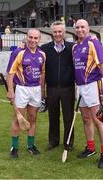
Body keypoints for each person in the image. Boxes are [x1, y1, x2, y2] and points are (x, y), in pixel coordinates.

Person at [73, 19, 103, 168]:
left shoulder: (93, 42)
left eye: (83, 27)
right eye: (77, 27)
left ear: (88, 28)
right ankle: (90, 148)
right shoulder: (75, 47)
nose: (80, 29)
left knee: (98, 120)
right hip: (81, 86)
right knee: (85, 118)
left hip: (93, 85)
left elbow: (102, 64)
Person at [6, 29, 46, 158]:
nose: (33, 40)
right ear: (27, 37)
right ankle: (14, 148)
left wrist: (42, 91)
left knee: (33, 118)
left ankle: (30, 146)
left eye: (36, 38)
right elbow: (10, 73)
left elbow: (43, 74)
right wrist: (11, 91)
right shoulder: (19, 52)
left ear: (39, 39)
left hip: (36, 90)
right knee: (17, 119)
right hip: (22, 89)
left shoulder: (42, 54)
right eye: (31, 37)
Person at [41, 21, 75, 150]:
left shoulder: (72, 47)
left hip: (68, 88)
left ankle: (68, 143)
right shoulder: (45, 48)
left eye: (60, 31)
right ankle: (53, 141)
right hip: (52, 88)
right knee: (53, 116)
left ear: (64, 32)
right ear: (52, 33)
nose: (57, 34)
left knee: (69, 117)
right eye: (55, 31)